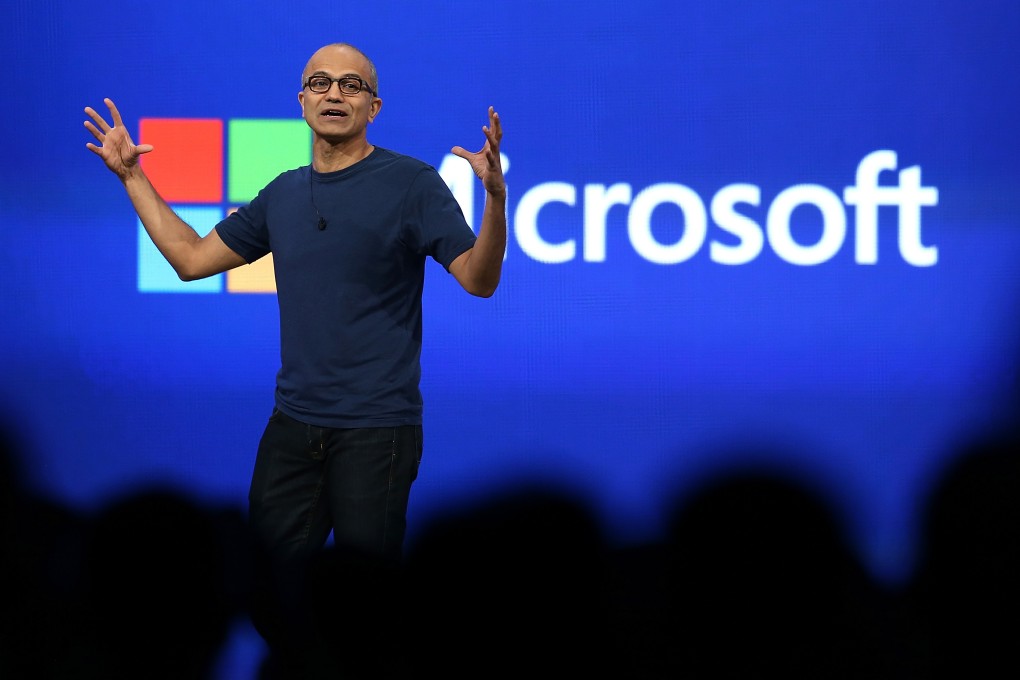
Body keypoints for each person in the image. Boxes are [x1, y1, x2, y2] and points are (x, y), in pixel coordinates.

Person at [85, 42, 506, 677]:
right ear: (302, 100)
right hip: (293, 427)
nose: (335, 93)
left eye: (351, 85)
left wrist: (496, 201)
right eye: (320, 83)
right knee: (265, 592)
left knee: (366, 609)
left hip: (377, 429)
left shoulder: (413, 184)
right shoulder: (283, 194)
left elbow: (479, 279)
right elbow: (192, 259)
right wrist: (131, 176)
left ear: (374, 105)